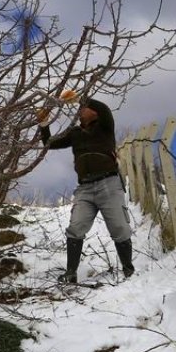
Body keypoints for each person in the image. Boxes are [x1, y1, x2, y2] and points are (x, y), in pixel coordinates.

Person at [37, 97, 135, 282]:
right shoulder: (75, 133)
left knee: (119, 227)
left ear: (94, 112)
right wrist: (43, 122)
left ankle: (128, 270)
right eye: (80, 108)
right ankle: (70, 273)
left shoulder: (105, 126)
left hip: (109, 183)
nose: (81, 110)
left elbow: (104, 108)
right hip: (85, 188)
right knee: (76, 227)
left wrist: (80, 98)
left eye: (85, 108)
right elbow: (49, 142)